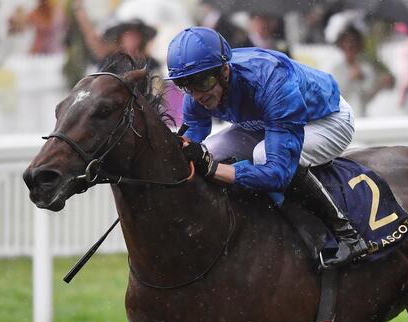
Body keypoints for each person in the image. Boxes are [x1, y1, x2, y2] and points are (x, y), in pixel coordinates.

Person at [165, 26, 367, 268]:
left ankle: (347, 234)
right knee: (211, 150)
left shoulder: (271, 79)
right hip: (267, 121)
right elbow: (194, 137)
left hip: (326, 120)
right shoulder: (199, 89)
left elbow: (277, 174)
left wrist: (213, 169)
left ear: (225, 71)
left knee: (261, 155)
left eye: (204, 82)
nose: (197, 94)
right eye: (185, 84)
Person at [327, 13, 394, 117]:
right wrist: (349, 78)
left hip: (362, 116)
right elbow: (333, 96)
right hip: (342, 118)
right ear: (341, 45)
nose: (350, 46)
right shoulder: (336, 68)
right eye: (346, 42)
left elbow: (368, 95)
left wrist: (366, 80)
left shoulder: (366, 68)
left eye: (353, 42)